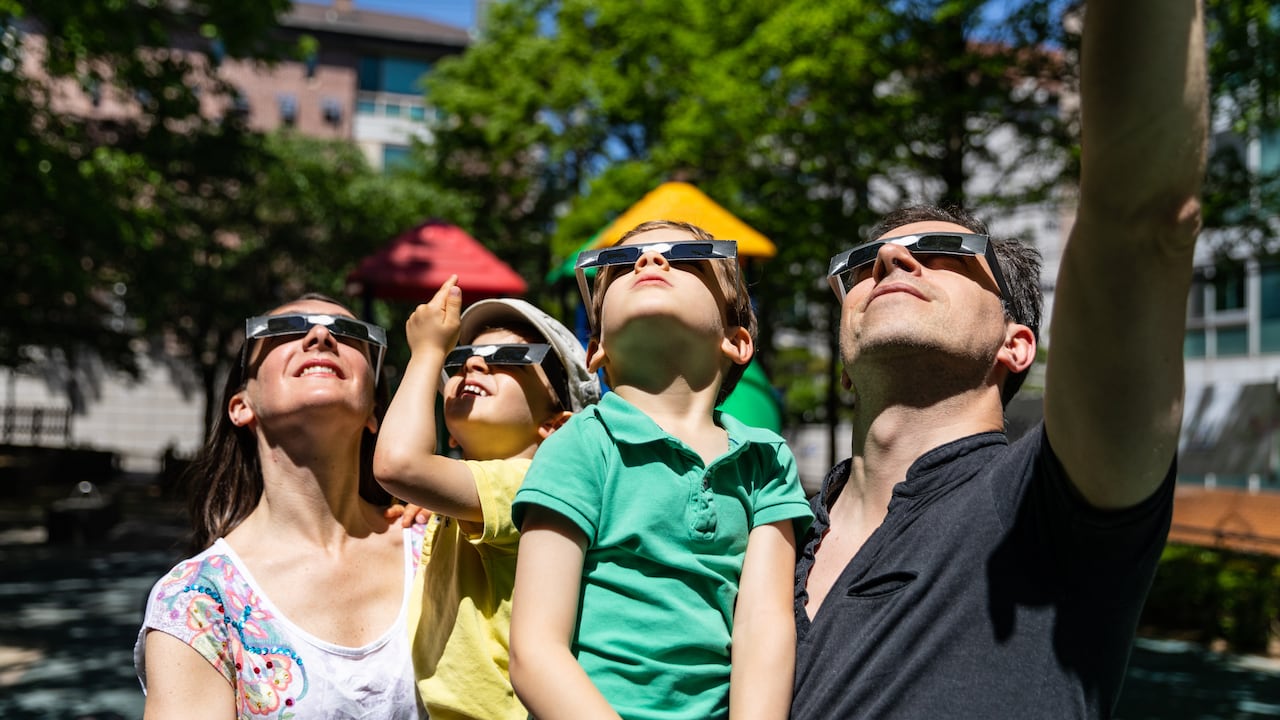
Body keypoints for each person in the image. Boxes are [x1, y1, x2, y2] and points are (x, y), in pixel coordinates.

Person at [791, 2, 1208, 718]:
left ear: (1016, 343)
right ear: (843, 362)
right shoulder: (769, 529)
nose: (891, 257)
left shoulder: (1053, 504)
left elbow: (1144, 220)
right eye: (863, 262)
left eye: (945, 253)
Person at [508, 220, 814, 720]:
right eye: (622, 265)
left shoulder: (766, 456)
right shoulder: (582, 443)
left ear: (737, 341)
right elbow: (536, 651)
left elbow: (763, 623)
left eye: (687, 258)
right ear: (597, 349)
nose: (650, 261)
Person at [135, 294, 426, 719]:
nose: (321, 335)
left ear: (374, 412)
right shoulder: (196, 602)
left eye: (348, 333)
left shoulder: (442, 548)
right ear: (241, 406)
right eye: (285, 329)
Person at [373, 275, 600, 720]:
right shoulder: (464, 502)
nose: (472, 366)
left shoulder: (537, 484)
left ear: (555, 425)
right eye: (458, 358)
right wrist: (432, 497)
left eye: (510, 357)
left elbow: (397, 465)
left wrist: (427, 352)